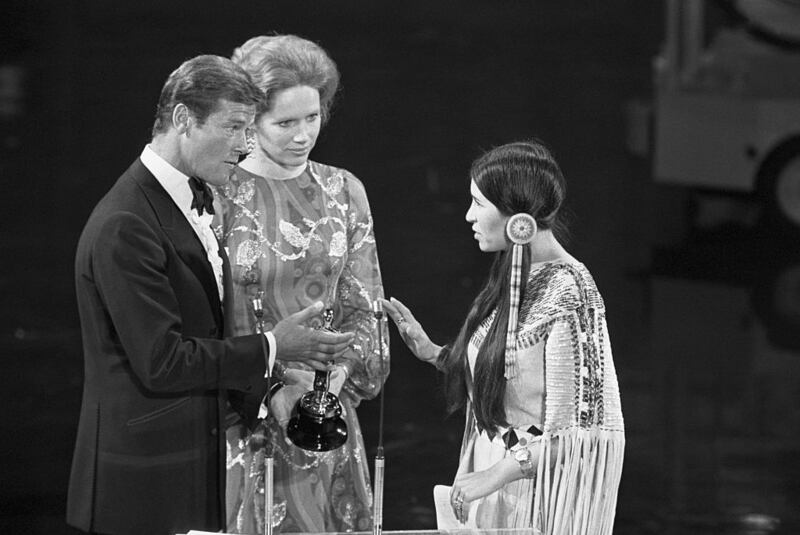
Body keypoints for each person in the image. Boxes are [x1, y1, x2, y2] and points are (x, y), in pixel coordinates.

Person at [67, 55, 354, 535]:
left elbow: (205, 333)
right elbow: (162, 361)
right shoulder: (126, 223)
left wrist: (271, 392)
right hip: (141, 483)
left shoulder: (188, 201)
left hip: (188, 470)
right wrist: (275, 346)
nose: (245, 146)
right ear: (183, 119)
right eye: (235, 128)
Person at [381, 140, 625, 534]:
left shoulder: (571, 292)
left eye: (478, 203)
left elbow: (580, 431)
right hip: (492, 484)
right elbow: (510, 375)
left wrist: (494, 475)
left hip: (531, 495)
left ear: (516, 214)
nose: (468, 216)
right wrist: (434, 354)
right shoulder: (513, 273)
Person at [214, 35, 389, 533]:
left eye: (311, 118)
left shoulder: (343, 190)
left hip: (325, 416)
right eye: (285, 122)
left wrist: (341, 374)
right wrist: (268, 387)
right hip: (246, 417)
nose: (302, 135)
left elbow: (364, 304)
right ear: (251, 120)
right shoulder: (221, 193)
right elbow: (210, 319)